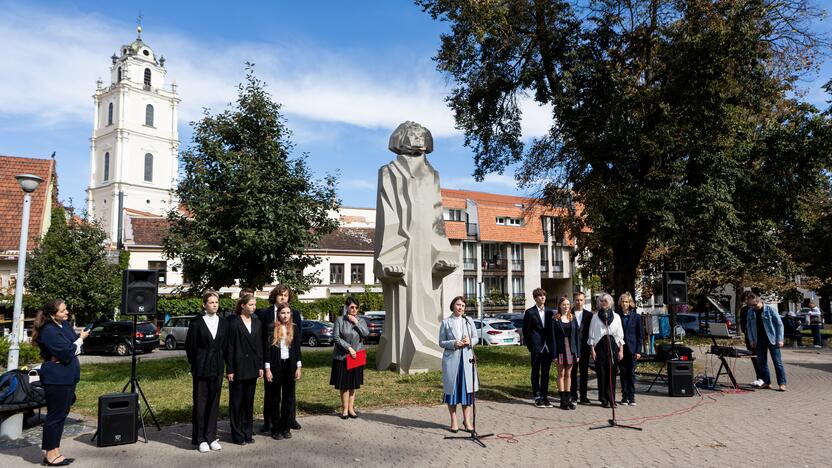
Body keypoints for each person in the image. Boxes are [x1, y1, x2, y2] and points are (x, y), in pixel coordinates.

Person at [31, 299, 89, 466]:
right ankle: (50, 455)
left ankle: (55, 451)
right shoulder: (48, 330)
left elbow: (74, 349)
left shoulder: (64, 326)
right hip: (57, 379)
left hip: (68, 377)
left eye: (66, 309)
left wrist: (75, 345)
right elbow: (69, 351)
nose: (67, 312)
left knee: (61, 416)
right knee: (54, 417)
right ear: (52, 314)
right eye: (63, 310)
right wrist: (80, 340)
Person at [255, 285, 303, 433]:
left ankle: (288, 421)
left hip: (289, 362)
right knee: (271, 394)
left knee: (289, 394)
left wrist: (298, 365)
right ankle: (269, 422)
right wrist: (265, 365)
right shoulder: (265, 314)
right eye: (280, 295)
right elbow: (263, 341)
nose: (283, 297)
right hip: (272, 360)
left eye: (286, 295)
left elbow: (296, 343)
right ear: (275, 296)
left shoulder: (294, 315)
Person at [186, 290, 229, 452]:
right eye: (211, 302)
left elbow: (225, 346)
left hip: (217, 366)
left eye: (216, 302)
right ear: (204, 304)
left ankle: (211, 436)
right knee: (200, 402)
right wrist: (197, 362)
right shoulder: (197, 322)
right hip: (201, 367)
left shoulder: (224, 323)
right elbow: (191, 347)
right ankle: (200, 439)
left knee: (213, 403)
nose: (214, 305)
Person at [225, 293, 263, 445]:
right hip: (238, 368)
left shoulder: (257, 323)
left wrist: (260, 366)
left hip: (252, 367)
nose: (253, 307)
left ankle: (248, 432)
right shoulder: (233, 323)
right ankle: (237, 434)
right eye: (251, 305)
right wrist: (230, 369)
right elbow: (230, 347)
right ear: (243, 305)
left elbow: (259, 346)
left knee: (249, 402)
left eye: (255, 305)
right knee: (236, 403)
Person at [439, 296, 479, 432]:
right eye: (458, 305)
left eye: (463, 305)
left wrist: (470, 341)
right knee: (453, 392)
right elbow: (441, 342)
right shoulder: (446, 322)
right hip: (452, 362)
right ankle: (453, 421)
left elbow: (476, 338)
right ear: (453, 306)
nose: (460, 307)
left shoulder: (469, 321)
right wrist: (453, 343)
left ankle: (467, 421)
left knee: (467, 393)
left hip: (466, 362)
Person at [265, 302, 302, 440]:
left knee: (288, 397)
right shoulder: (271, 327)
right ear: (278, 314)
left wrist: (298, 367)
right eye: (282, 313)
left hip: (289, 366)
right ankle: (276, 428)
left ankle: (286, 427)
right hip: (276, 366)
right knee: (275, 398)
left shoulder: (294, 328)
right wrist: (267, 369)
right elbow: (267, 350)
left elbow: (297, 349)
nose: (285, 316)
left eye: (287, 313)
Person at [330, 297, 369, 419]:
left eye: (356, 307)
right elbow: (336, 338)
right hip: (342, 357)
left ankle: (351, 408)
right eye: (352, 307)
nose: (354, 309)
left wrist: (356, 323)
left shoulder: (361, 321)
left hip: (357, 357)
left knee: (353, 385)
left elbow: (366, 334)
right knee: (344, 385)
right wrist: (349, 348)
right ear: (347, 307)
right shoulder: (340, 320)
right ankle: (344, 409)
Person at [587, 293, 624, 408]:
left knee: (612, 373)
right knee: (602, 372)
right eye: (601, 301)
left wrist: (621, 350)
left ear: (610, 303)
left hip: (612, 345)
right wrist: (592, 350)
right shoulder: (595, 317)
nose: (603, 303)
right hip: (600, 346)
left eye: (606, 301)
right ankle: (603, 398)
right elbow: (592, 334)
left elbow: (619, 335)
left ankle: (611, 398)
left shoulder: (616, 317)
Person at [745, 292, 787, 391]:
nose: (753, 307)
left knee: (777, 362)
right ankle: (767, 382)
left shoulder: (770, 309)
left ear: (760, 301)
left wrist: (780, 339)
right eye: (751, 305)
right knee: (762, 363)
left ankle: (782, 383)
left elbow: (779, 324)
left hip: (772, 339)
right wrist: (751, 340)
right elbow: (749, 327)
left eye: (755, 305)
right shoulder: (751, 311)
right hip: (758, 340)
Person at [522, 288, 554, 408]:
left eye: (544, 296)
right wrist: (530, 346)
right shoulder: (530, 312)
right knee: (535, 371)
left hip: (547, 347)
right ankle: (537, 396)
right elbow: (526, 331)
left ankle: (545, 396)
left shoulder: (550, 312)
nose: (542, 298)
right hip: (536, 346)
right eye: (540, 296)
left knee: (546, 372)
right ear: (535, 298)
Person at [553, 296, 579, 410]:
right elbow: (552, 338)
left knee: (569, 374)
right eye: (564, 304)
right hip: (560, 349)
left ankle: (568, 399)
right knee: (561, 374)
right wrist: (554, 354)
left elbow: (577, 337)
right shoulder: (555, 319)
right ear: (559, 306)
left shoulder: (573, 318)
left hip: (571, 349)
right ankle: (562, 400)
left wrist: (577, 354)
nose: (566, 306)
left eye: (568, 304)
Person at [617, 292, 642, 406]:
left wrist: (638, 351)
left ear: (630, 303)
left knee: (631, 373)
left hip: (632, 349)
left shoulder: (636, 317)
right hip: (621, 349)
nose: (624, 304)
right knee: (623, 373)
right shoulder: (617, 316)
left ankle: (632, 397)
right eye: (622, 302)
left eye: (626, 302)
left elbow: (640, 335)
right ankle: (624, 396)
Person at [570, 291, 594, 405]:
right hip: (572, 348)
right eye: (577, 300)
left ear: (584, 301)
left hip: (585, 348)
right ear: (573, 301)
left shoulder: (589, 315)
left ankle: (583, 396)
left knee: (584, 373)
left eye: (581, 300)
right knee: (572, 372)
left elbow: (591, 332)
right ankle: (573, 395)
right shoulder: (568, 313)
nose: (579, 302)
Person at [738, 290, 764, 387]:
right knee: (753, 357)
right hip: (749, 336)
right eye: (744, 300)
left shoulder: (758, 308)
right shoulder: (744, 310)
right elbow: (743, 323)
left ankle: (763, 378)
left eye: (746, 300)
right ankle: (759, 377)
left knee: (760, 357)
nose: (745, 302)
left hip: (759, 336)